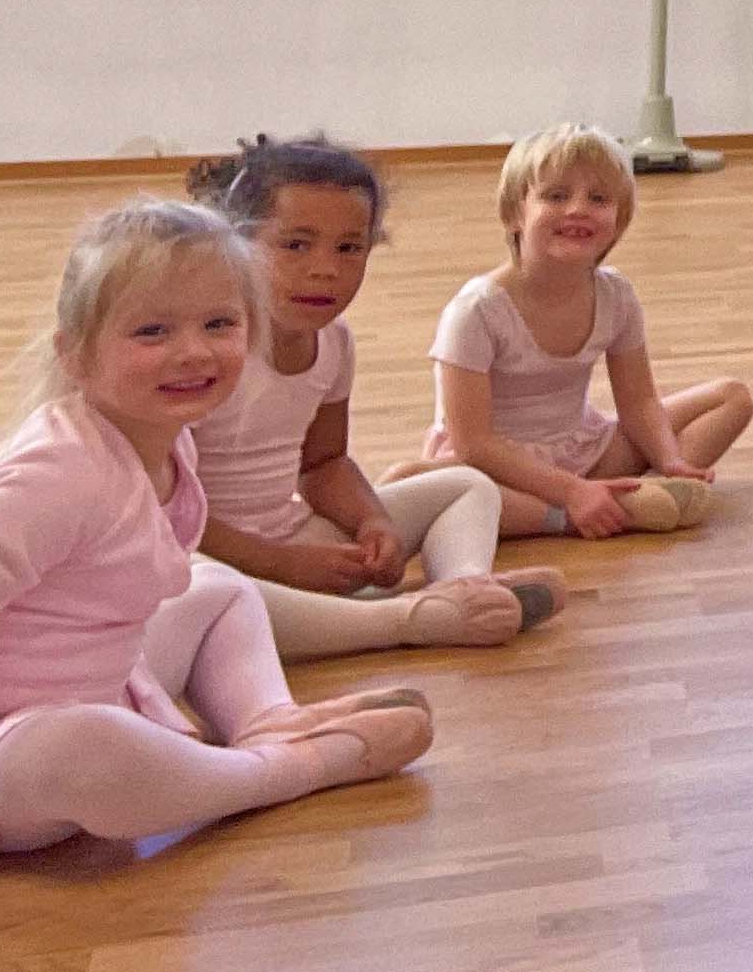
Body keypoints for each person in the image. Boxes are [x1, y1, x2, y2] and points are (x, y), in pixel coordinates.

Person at [0, 201, 432, 936]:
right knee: (85, 750)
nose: (193, 352)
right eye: (152, 331)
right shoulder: (57, 474)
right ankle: (293, 769)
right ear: (74, 353)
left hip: (98, 684)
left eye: (218, 324)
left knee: (218, 587)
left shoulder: (161, 437)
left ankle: (270, 721)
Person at [186, 134, 563, 655]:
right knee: (200, 592)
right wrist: (280, 564)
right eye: (296, 244)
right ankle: (402, 620)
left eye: (349, 248)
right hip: (208, 555)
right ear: (234, 243)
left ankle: (464, 587)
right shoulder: (202, 351)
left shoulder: (334, 342)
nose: (326, 268)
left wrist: (372, 522)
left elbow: (323, 464)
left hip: (293, 538)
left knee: (467, 486)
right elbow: (162, 511)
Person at [405, 123, 751, 536]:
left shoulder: (616, 294)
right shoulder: (476, 311)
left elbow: (640, 402)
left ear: (619, 220)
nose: (578, 209)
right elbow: (473, 444)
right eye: (556, 196)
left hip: (582, 450)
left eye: (598, 198)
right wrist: (569, 491)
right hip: (495, 466)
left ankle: (635, 494)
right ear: (514, 214)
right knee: (411, 481)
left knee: (732, 398)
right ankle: (585, 512)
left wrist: (670, 458)